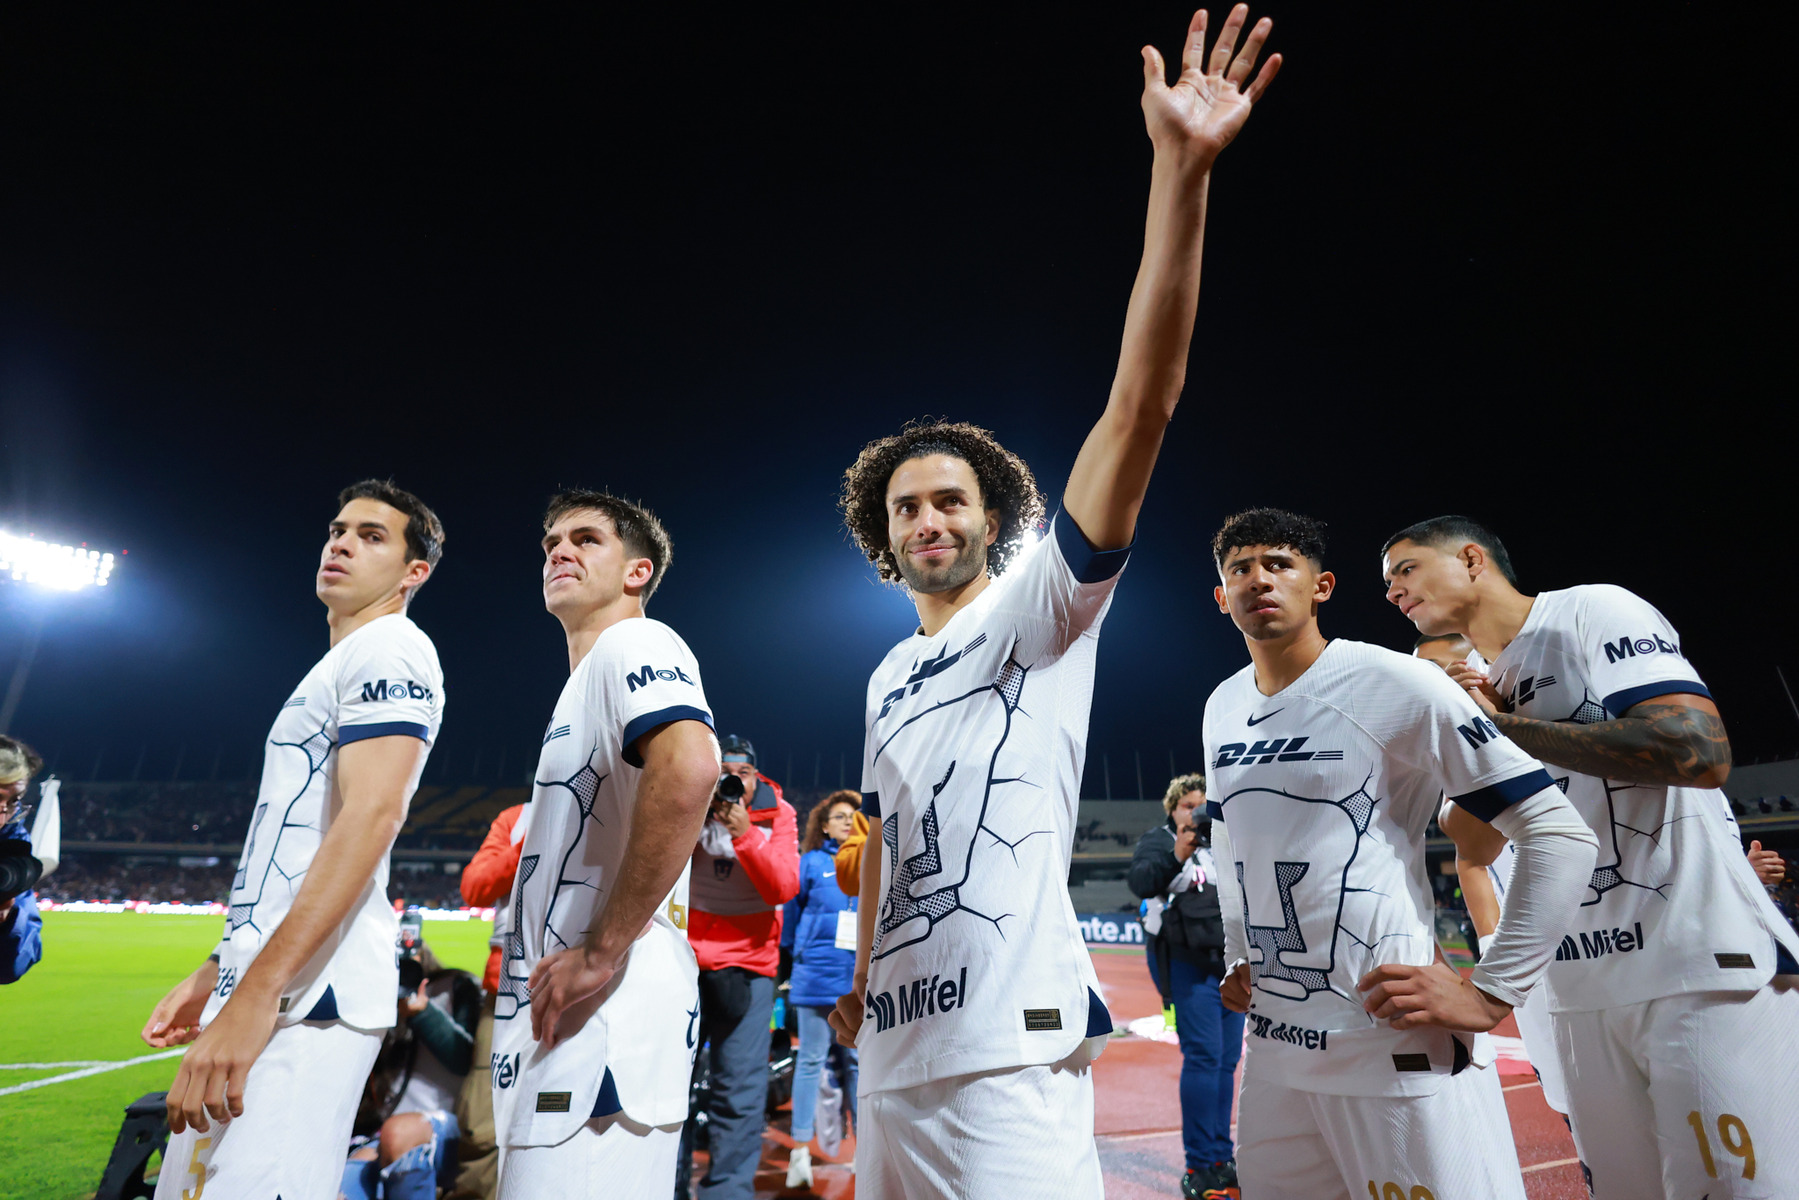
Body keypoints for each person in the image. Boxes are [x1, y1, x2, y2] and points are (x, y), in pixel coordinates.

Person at [826, 11, 1284, 1195]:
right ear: (882, 536)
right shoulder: (885, 676)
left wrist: (1179, 176)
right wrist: (862, 975)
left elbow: (1141, 403)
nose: (927, 520)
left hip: (1010, 1045)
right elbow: (882, 839)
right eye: (906, 509)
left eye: (950, 501)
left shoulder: (1039, 609)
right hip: (895, 1047)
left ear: (994, 521)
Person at [1382, 513, 1799, 1198]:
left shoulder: (1588, 611)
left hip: (1696, 963)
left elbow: (1697, 750)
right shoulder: (1478, 691)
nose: (1393, 590)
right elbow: (1473, 845)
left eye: (1405, 569)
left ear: (1471, 560)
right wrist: (1474, 739)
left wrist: (1504, 729)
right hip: (1577, 987)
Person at [1204, 507, 1598, 1199]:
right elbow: (1229, 837)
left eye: (1279, 564)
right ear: (1220, 595)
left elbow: (1558, 832)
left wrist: (1492, 991)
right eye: (1240, 569)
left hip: (1387, 1040)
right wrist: (1239, 950)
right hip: (1273, 1049)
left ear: (1321, 586)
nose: (1258, 579)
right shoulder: (1221, 705)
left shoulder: (1391, 681)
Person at [141, 479, 447, 1200]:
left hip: (310, 998)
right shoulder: (340, 662)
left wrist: (258, 992)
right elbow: (294, 846)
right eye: (337, 530)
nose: (341, 543)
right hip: (270, 984)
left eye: (371, 535)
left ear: (414, 572)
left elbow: (372, 816)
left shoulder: (391, 649)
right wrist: (219, 968)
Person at [491, 490, 719, 1197]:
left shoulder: (633, 642)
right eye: (551, 542)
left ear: (636, 572)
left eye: (586, 539)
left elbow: (690, 767)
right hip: (583, 1026)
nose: (559, 550)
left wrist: (600, 950)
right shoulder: (586, 682)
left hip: (605, 1027)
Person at [1410, 637, 1569, 1118]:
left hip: (1609, 928)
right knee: (1571, 1097)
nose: (1436, 680)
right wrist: (1494, 945)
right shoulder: (1456, 758)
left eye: (1445, 667)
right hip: (1535, 947)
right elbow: (1470, 857)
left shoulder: (1554, 723)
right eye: (1424, 673)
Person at [681, 734, 800, 1200]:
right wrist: (695, 812)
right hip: (685, 963)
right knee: (671, 1085)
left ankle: (726, 1192)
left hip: (749, 967)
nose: (733, 781)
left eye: (743, 773)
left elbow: (782, 887)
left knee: (740, 1092)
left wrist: (745, 833)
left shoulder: (779, 814)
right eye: (724, 772)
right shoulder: (689, 802)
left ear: (756, 778)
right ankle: (665, 1186)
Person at [1127, 773, 1242, 1198]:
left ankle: (1221, 1157)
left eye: (1201, 806)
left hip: (1228, 964)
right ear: (1172, 809)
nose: (1195, 813)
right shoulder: (1159, 841)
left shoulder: (1222, 842)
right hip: (1186, 965)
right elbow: (1141, 882)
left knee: (1227, 1061)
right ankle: (1199, 1165)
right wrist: (1180, 849)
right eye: (1186, 806)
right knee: (1204, 1057)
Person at [342, 941, 484, 1200]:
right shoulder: (378, 993)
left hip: (448, 1125)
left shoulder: (458, 985)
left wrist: (423, 1013)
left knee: (399, 1133)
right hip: (386, 1130)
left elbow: (465, 1059)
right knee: (342, 1184)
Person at [780, 791, 862, 1189]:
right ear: (824, 825)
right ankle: (799, 1150)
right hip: (815, 975)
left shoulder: (871, 861)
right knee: (810, 1061)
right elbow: (790, 919)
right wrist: (793, 959)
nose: (848, 821)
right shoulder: (810, 862)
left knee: (859, 1064)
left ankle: (866, 1148)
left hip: (858, 979)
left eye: (853, 816)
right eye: (840, 816)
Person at [451, 802, 526, 1199]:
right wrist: (529, 844)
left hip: (581, 992)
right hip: (504, 989)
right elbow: (474, 886)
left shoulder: (613, 802)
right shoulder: (516, 818)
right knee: (482, 1122)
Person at [0, 735, 46, 985]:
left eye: (14, 801)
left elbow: (13, 967)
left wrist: (8, 917)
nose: (2, 818)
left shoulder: (11, 847)